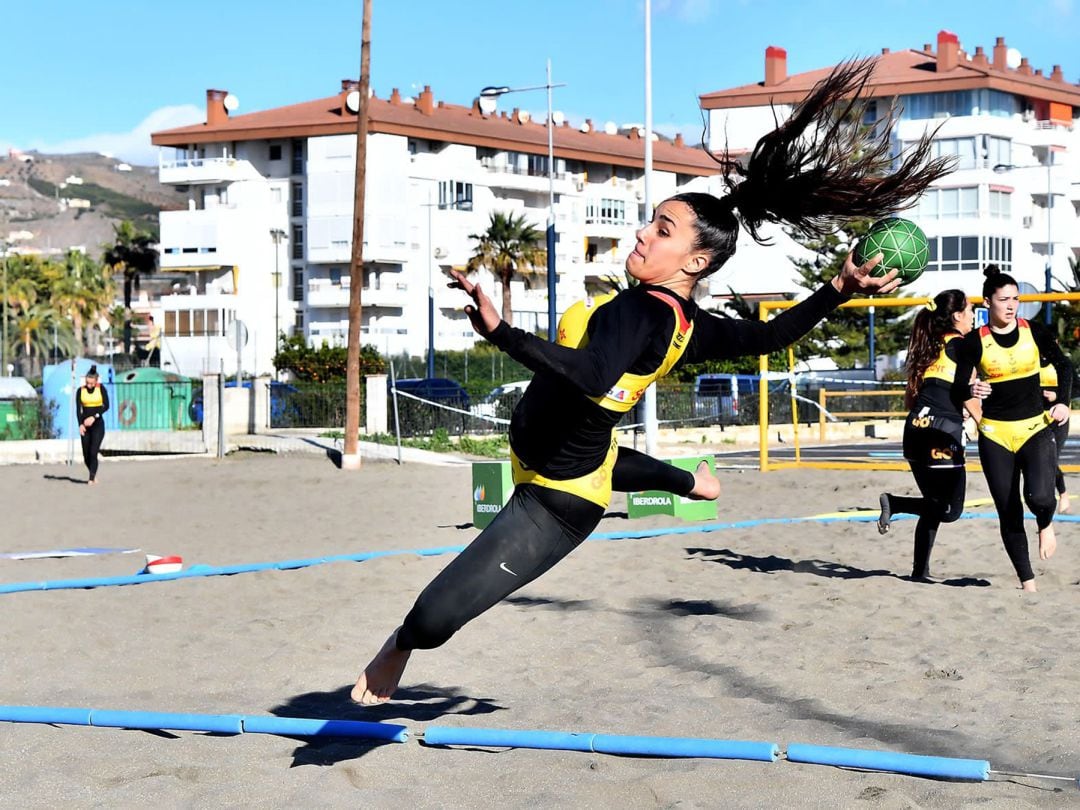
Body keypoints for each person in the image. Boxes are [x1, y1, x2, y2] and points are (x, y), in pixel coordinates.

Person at [351, 59, 952, 704]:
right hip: (560, 453)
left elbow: (586, 376)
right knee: (606, 449)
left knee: (430, 622)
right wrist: (837, 287)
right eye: (651, 221)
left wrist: (500, 332)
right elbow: (772, 336)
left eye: (661, 230)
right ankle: (689, 479)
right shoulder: (679, 318)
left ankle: (397, 649)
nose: (642, 232)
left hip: (554, 500)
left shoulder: (647, 312)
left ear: (695, 260)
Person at [951, 267, 1072, 591]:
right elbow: (957, 390)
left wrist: (1063, 400)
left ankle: (1045, 523)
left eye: (1016, 299)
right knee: (1009, 510)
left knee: (1040, 495)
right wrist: (971, 391)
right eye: (1004, 299)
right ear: (987, 302)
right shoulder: (974, 343)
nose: (1011, 305)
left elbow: (1065, 365)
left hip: (1034, 427)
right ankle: (1027, 583)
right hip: (995, 435)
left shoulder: (1035, 331)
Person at [877, 290, 980, 581]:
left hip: (914, 432)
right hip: (940, 435)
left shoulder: (927, 348)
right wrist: (987, 426)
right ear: (957, 315)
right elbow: (967, 396)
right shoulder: (962, 347)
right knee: (949, 510)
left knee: (934, 503)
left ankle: (919, 572)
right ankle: (896, 504)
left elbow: (911, 401)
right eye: (970, 309)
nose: (973, 315)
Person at [1039, 354, 1071, 514]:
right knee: (1042, 461)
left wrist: (1057, 396)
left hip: (1058, 419)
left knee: (1051, 459)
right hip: (1037, 419)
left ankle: (1063, 494)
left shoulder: (1062, 364)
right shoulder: (1030, 361)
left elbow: (1075, 388)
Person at [76, 365, 109, 485]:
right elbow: (78, 410)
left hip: (98, 425)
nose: (89, 386)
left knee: (93, 452)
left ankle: (91, 478)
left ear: (96, 381)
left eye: (91, 383)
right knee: (86, 456)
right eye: (87, 383)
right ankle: (93, 473)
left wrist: (94, 416)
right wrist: (80, 424)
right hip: (85, 427)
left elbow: (106, 405)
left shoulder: (101, 389)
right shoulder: (80, 391)